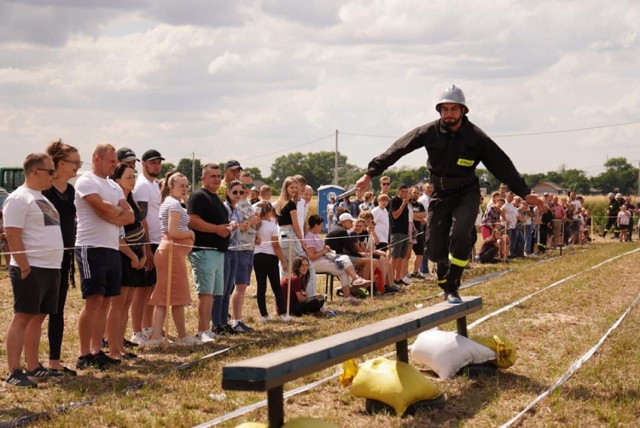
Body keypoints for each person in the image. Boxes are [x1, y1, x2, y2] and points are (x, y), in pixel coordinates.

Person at [357, 84, 544, 303]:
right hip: (440, 192)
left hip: (467, 191)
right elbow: (399, 148)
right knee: (435, 248)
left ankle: (453, 283)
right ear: (439, 111)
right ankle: (444, 274)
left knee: (461, 234)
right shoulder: (429, 131)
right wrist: (370, 173)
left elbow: (501, 164)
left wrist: (525, 192)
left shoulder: (476, 137)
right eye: (444, 110)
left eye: (453, 109)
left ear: (463, 110)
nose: (448, 114)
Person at [4, 153, 63, 387]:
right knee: (23, 317)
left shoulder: (42, 198)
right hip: (31, 268)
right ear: (34, 171)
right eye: (50, 171)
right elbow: (12, 234)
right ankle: (13, 371)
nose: (54, 175)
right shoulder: (19, 198)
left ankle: (33, 366)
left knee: (38, 318)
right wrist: (25, 266)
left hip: (49, 267)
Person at [75, 144, 134, 370]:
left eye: (116, 162)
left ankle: (96, 350)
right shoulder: (86, 181)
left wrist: (114, 213)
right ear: (96, 159)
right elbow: (102, 210)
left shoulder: (113, 185)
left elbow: (128, 217)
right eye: (111, 161)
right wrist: (114, 213)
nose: (114, 165)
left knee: (107, 301)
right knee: (94, 301)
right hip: (91, 247)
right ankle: (83, 353)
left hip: (111, 248)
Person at [146, 173, 201, 346]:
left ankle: (170, 335)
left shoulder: (173, 203)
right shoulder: (174, 204)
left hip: (172, 252)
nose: (185, 188)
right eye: (181, 185)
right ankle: (171, 336)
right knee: (170, 295)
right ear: (171, 187)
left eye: (186, 185)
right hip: (171, 252)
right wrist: (191, 234)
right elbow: (174, 232)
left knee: (172, 296)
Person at [42, 141, 82, 375]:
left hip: (64, 258)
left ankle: (54, 363)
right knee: (37, 314)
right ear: (59, 163)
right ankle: (32, 364)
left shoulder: (70, 191)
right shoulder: (45, 191)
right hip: (45, 258)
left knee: (57, 311)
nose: (77, 167)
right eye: (74, 162)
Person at [187, 163, 230, 343]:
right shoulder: (198, 196)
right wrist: (216, 229)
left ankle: (208, 328)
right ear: (203, 178)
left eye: (219, 176)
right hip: (204, 251)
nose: (216, 179)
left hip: (217, 252)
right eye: (212, 176)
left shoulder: (216, 197)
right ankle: (202, 330)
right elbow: (193, 221)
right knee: (205, 294)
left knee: (212, 294)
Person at [108, 164, 147, 359]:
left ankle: (120, 346)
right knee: (118, 304)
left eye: (134, 177)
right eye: (128, 177)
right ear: (117, 180)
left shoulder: (131, 201)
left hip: (136, 256)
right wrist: (132, 256)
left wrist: (143, 254)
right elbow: (117, 235)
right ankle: (113, 348)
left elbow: (138, 228)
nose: (132, 180)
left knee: (127, 303)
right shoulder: (115, 203)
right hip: (123, 257)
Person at [130, 149, 164, 345]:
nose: (156, 166)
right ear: (143, 164)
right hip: (147, 241)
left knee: (152, 287)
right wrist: (147, 248)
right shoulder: (142, 185)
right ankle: (137, 330)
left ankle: (147, 325)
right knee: (141, 290)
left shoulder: (153, 185)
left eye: (158, 162)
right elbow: (141, 218)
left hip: (156, 240)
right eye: (152, 162)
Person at [305, 214, 366, 304]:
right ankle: (350, 292)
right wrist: (324, 250)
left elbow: (320, 249)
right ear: (316, 225)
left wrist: (325, 248)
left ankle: (353, 284)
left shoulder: (315, 235)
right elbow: (312, 256)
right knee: (343, 269)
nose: (322, 227)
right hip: (316, 263)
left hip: (322, 260)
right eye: (321, 225)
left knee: (344, 260)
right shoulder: (309, 237)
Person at [253, 201, 287, 321]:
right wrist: (283, 261)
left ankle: (264, 315)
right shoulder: (272, 226)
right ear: (268, 213)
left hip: (257, 257)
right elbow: (276, 246)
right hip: (270, 257)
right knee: (276, 286)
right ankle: (282, 313)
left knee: (261, 287)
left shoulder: (255, 226)